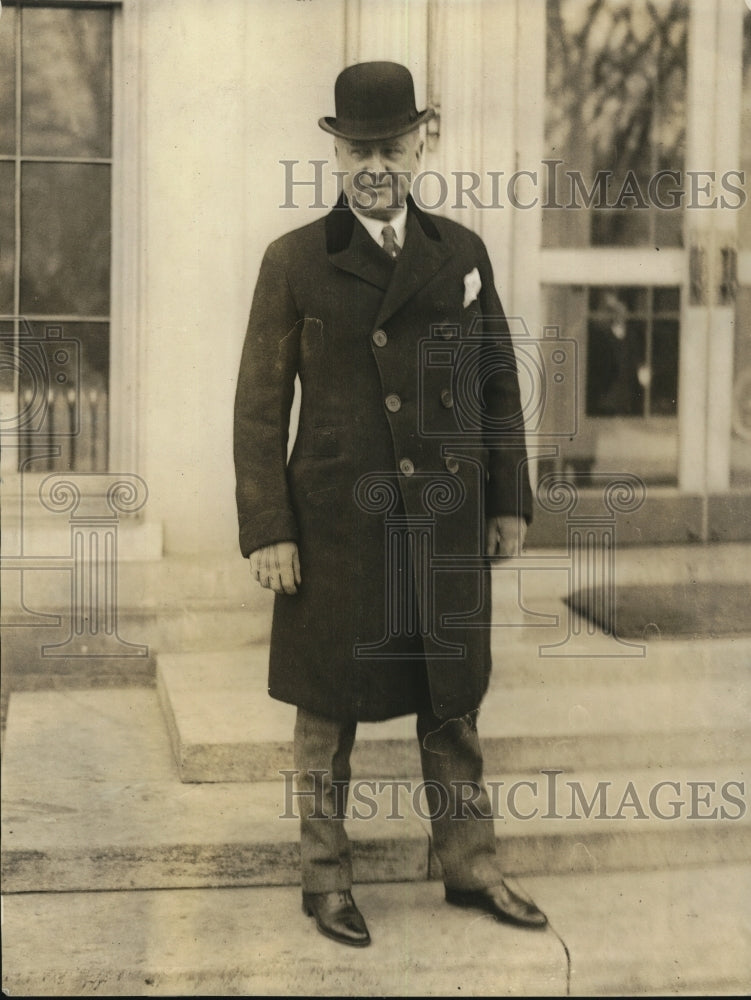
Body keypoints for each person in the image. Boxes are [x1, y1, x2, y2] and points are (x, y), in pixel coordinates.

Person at [234, 61, 547, 947]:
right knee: (325, 707)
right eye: (359, 148)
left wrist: (505, 501)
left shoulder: (460, 255)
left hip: (443, 518)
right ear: (335, 152)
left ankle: (470, 867)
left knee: (452, 703)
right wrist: (268, 528)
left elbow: (495, 386)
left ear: (422, 143)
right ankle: (324, 879)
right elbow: (258, 405)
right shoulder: (293, 261)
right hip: (338, 524)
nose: (377, 164)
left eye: (393, 147)